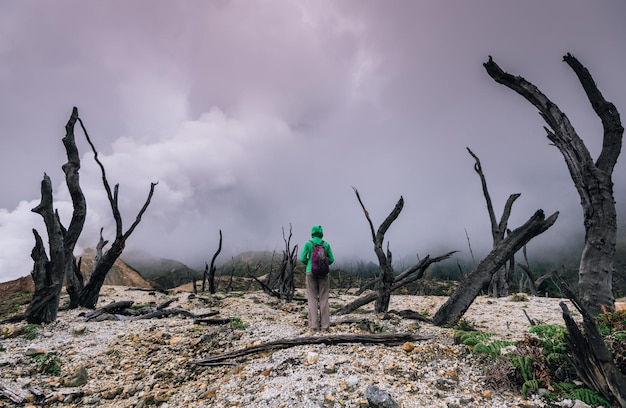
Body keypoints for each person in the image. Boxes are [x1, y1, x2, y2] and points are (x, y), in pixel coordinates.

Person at [300, 224, 335, 333]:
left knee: (312, 299)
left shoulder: (308, 243)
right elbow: (332, 259)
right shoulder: (326, 245)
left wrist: (309, 264)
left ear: (312, 232)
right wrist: (324, 265)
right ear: (321, 233)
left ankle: (314, 327)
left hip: (310, 272)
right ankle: (325, 327)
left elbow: (302, 258)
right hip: (323, 274)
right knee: (324, 299)